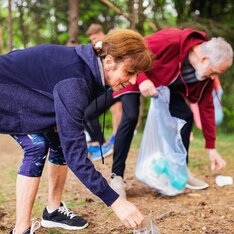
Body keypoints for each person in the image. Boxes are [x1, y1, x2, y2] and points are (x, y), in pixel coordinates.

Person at [0, 29, 154, 234]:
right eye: (129, 72)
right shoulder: (75, 81)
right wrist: (116, 202)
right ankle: (21, 229)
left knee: (58, 138)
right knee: (36, 144)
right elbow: (76, 154)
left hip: (27, 91)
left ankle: (53, 211)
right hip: (6, 92)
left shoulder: (90, 68)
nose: (133, 81)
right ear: (108, 62)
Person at [110, 28, 233, 197]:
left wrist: (211, 147)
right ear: (204, 59)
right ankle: (117, 176)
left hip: (164, 87)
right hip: (136, 73)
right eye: (214, 72)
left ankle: (180, 172)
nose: (213, 78)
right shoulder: (172, 40)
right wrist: (143, 80)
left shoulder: (205, 77)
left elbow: (207, 108)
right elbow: (135, 53)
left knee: (186, 116)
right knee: (130, 116)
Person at [85, 24, 123, 160]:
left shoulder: (112, 43)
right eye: (91, 39)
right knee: (87, 112)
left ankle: (109, 140)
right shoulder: (98, 49)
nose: (93, 41)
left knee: (112, 110)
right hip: (104, 87)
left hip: (117, 86)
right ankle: (98, 143)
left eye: (95, 38)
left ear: (101, 33)